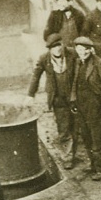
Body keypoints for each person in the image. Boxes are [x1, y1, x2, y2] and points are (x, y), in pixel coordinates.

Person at [28, 34, 79, 169]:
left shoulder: (72, 54)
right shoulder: (44, 59)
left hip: (74, 96)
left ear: (62, 44)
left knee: (75, 126)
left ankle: (72, 152)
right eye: (53, 47)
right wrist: (30, 94)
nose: (57, 50)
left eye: (58, 46)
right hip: (57, 98)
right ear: (49, 49)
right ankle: (67, 157)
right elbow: (36, 76)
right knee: (63, 128)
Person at [71, 37, 101, 180]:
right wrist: (73, 100)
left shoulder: (99, 63)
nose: (82, 53)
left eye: (85, 50)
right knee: (86, 136)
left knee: (97, 137)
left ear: (90, 50)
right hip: (81, 103)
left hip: (95, 104)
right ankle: (93, 165)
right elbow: (75, 83)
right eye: (79, 50)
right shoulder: (78, 62)